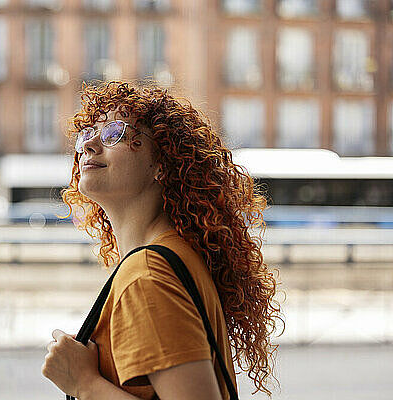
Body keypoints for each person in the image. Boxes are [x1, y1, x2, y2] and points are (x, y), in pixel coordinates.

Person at [42, 81, 283, 400]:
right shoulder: (174, 255)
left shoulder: (147, 276)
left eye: (115, 132)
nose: (89, 145)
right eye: (88, 132)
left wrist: (84, 383)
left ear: (162, 165)